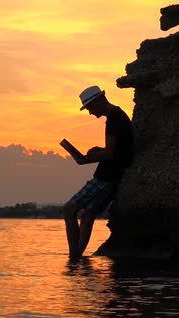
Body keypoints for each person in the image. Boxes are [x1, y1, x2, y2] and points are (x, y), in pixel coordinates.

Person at [64, 85, 134, 259]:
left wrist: (84, 160)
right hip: (113, 175)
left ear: (97, 101)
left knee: (69, 209)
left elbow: (110, 153)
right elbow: (118, 149)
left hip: (107, 176)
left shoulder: (114, 118)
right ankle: (77, 258)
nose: (89, 112)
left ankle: (73, 257)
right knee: (87, 215)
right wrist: (99, 150)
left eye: (89, 107)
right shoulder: (117, 116)